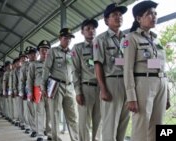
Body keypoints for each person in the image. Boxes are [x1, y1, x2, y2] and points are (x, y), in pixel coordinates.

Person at [123, 1, 170, 141]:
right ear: (139, 19)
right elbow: (128, 69)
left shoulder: (156, 41)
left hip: (160, 84)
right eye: (149, 14)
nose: (154, 16)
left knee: (158, 126)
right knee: (141, 126)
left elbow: (162, 68)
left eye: (155, 13)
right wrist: (131, 97)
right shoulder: (131, 38)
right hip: (143, 85)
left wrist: (166, 93)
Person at [93, 3, 130, 141]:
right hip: (112, 82)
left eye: (120, 15)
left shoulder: (127, 39)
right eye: (114, 15)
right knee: (110, 124)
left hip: (128, 83)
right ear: (106, 20)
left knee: (124, 122)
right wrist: (103, 89)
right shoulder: (101, 39)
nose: (118, 17)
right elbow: (98, 65)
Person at [41, 28, 79, 141]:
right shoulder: (52, 51)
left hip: (70, 86)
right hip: (56, 86)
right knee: (55, 114)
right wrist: (43, 86)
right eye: (65, 38)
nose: (68, 40)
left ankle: (75, 139)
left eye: (69, 38)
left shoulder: (72, 53)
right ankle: (56, 138)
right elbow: (46, 69)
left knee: (73, 116)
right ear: (60, 38)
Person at [71, 19, 100, 141]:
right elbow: (75, 71)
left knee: (99, 121)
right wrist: (78, 92)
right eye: (88, 29)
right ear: (82, 32)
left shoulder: (101, 46)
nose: (91, 31)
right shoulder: (77, 48)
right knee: (84, 122)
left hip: (101, 88)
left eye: (93, 28)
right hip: (86, 88)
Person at [28, 40, 52, 141]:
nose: (45, 51)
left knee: (50, 112)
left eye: (46, 49)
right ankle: (40, 134)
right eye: (42, 50)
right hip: (38, 90)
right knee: (39, 112)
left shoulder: (52, 63)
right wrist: (30, 93)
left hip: (51, 90)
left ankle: (49, 133)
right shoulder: (33, 64)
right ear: (39, 51)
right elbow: (30, 79)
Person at [19, 46, 38, 133]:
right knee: (30, 110)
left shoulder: (41, 63)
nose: (33, 55)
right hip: (28, 90)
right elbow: (22, 80)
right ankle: (32, 129)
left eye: (34, 53)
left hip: (38, 90)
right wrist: (22, 92)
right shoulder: (24, 67)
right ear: (28, 56)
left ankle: (41, 128)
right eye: (30, 54)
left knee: (39, 110)